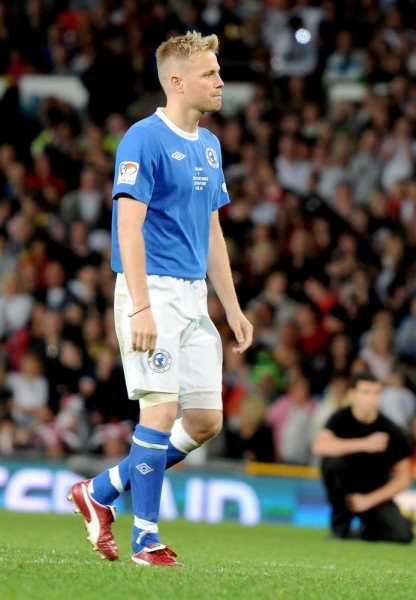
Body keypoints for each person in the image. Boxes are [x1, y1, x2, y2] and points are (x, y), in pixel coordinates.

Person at [68, 31, 253, 568]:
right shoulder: (142, 139)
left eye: (218, 72)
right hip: (153, 291)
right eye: (210, 74)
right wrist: (142, 306)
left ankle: (99, 491)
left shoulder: (211, 145)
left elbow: (213, 232)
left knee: (203, 422)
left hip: (195, 298)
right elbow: (128, 226)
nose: (220, 81)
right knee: (160, 408)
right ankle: (145, 540)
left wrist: (232, 307)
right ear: (177, 81)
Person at [312, 372, 413, 544]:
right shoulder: (340, 418)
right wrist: (364, 444)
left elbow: (404, 478)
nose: (371, 398)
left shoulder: (391, 430)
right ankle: (340, 528)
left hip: (374, 494)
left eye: (376, 393)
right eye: (366, 392)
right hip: (345, 490)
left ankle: (365, 531)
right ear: (353, 394)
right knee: (334, 463)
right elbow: (319, 446)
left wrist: (368, 500)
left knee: (402, 535)